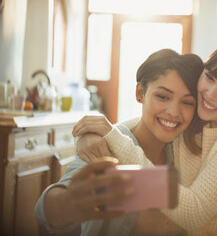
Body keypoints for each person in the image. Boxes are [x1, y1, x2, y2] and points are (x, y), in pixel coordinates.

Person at [74, 37, 217, 235]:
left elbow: (194, 213)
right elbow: (152, 122)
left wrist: (114, 138)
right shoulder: (202, 116)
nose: (211, 95)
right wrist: (94, 134)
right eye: (210, 77)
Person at [34, 49, 205, 235]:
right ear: (140, 93)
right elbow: (46, 210)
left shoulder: (190, 152)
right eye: (162, 97)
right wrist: (69, 202)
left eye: (187, 102)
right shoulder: (108, 147)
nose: (173, 112)